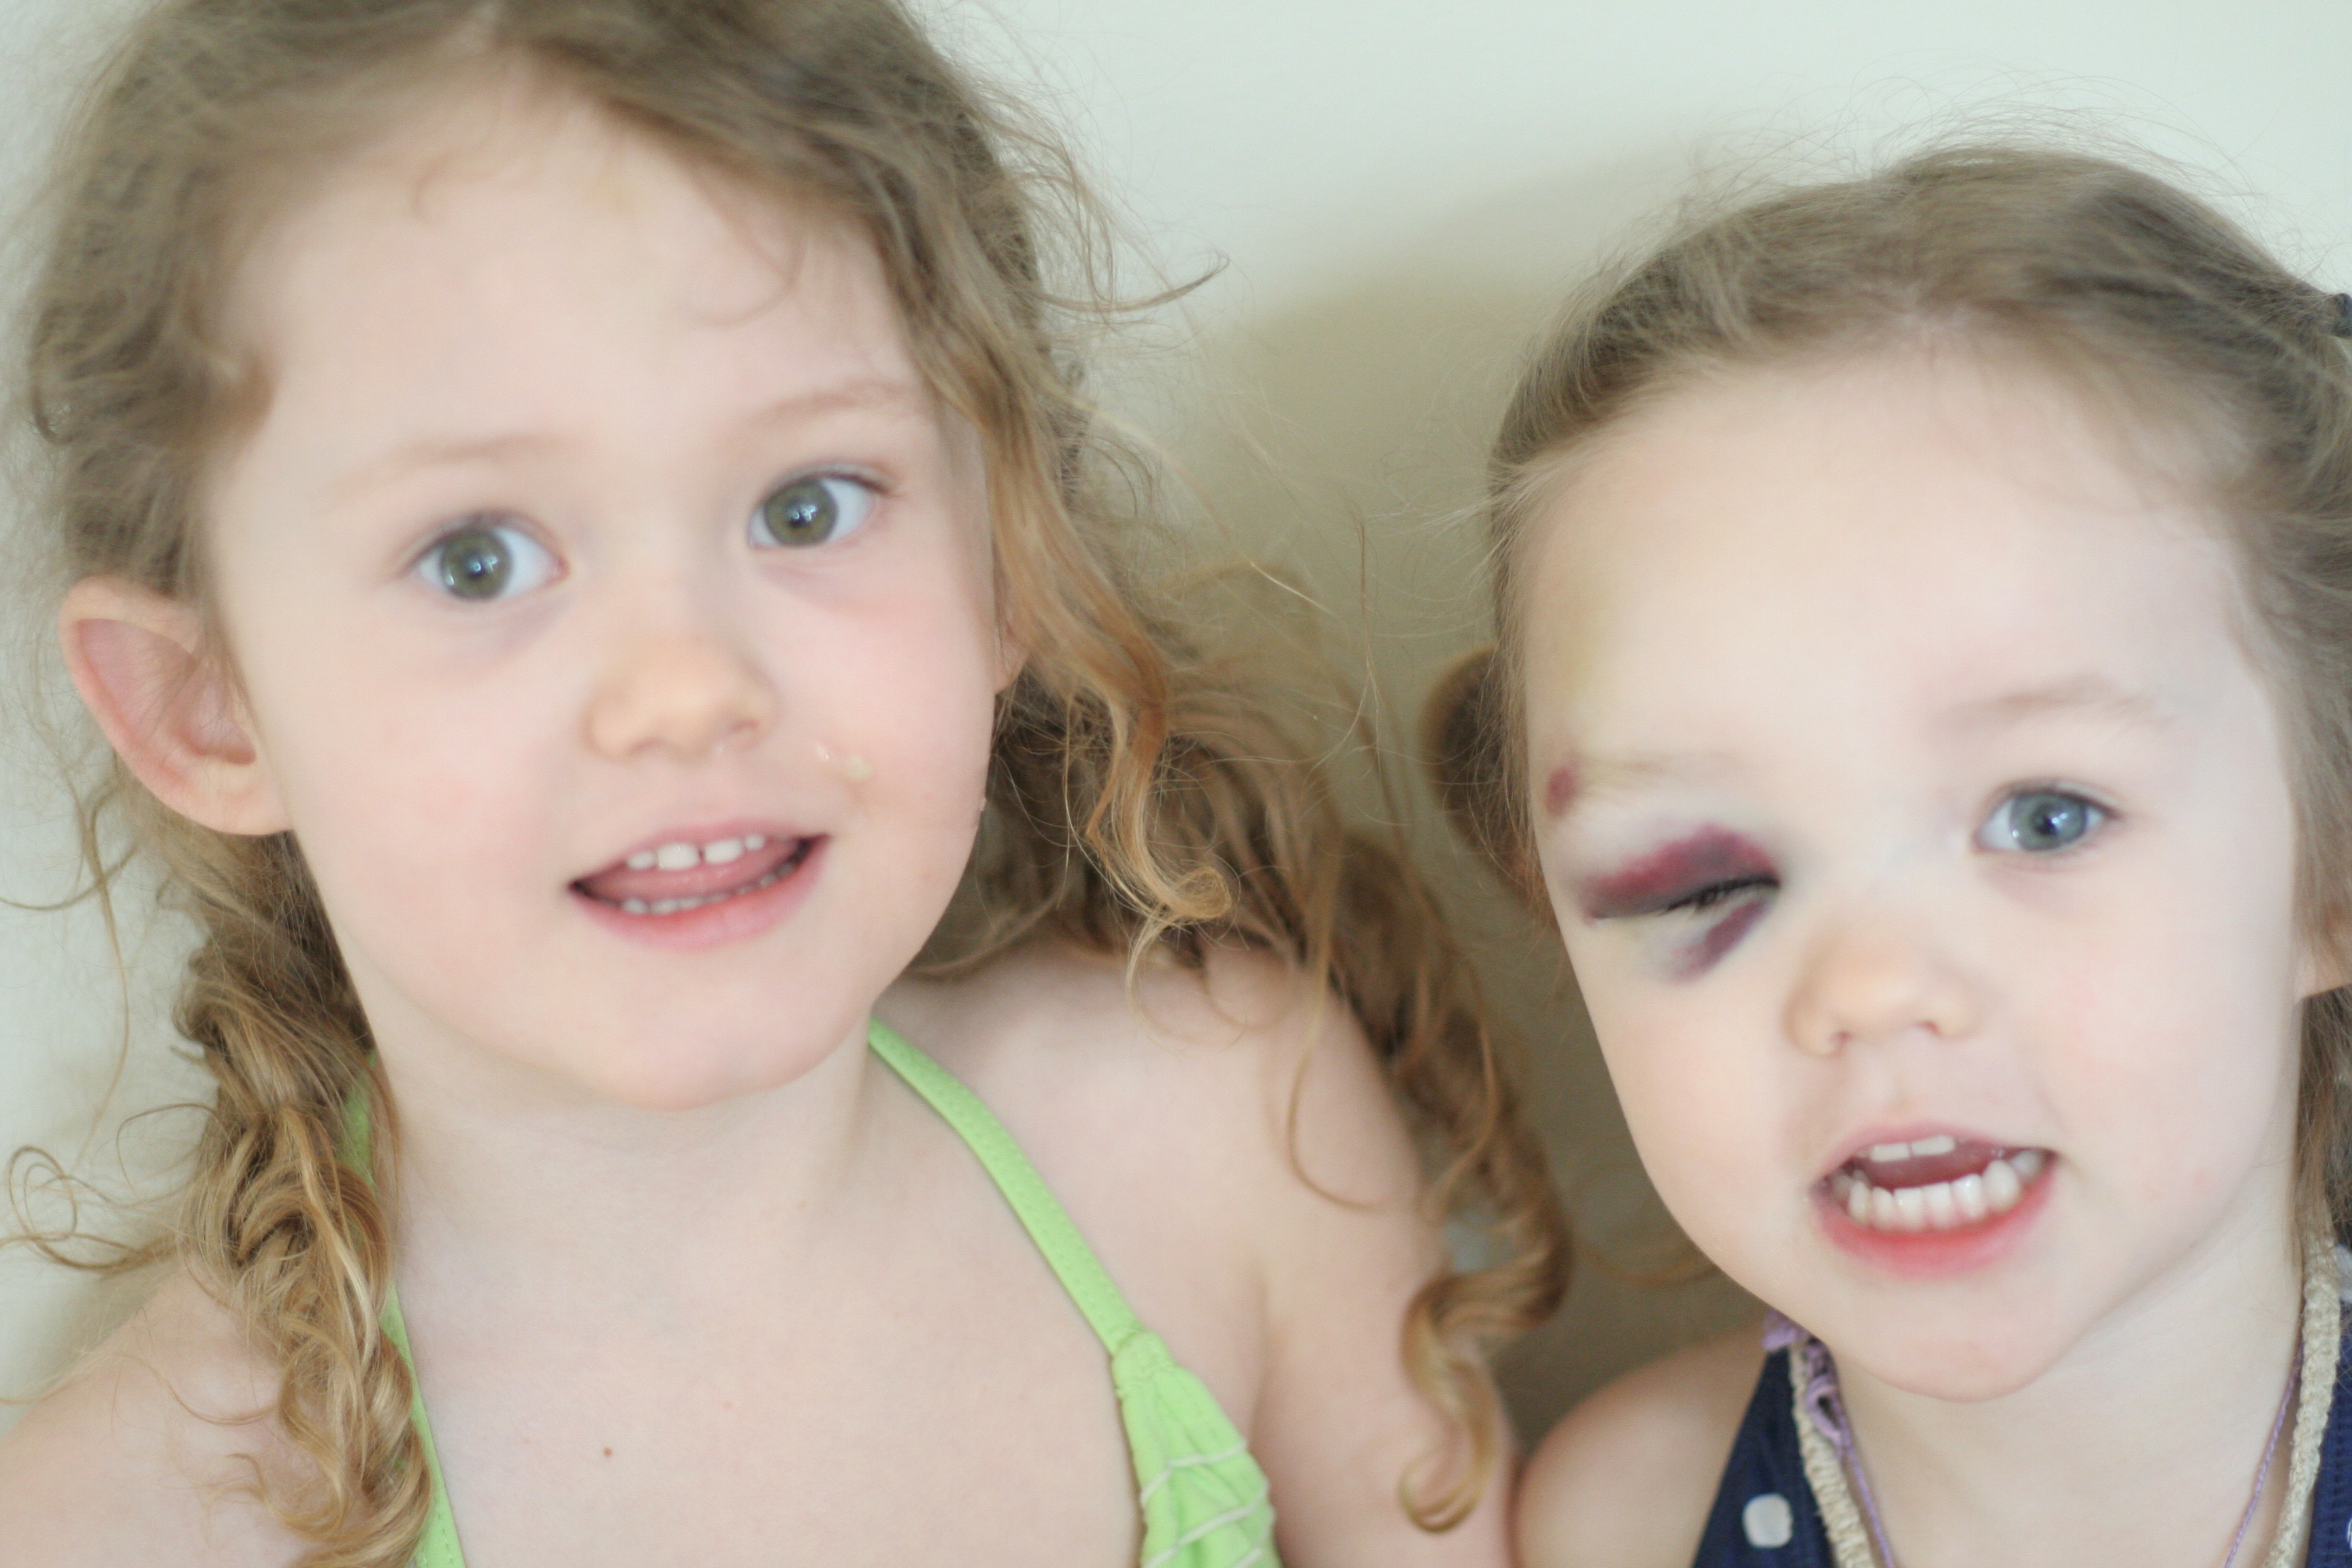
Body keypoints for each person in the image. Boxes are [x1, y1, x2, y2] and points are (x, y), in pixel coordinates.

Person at [0, 3, 1567, 1563]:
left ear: (1009, 560)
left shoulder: (1223, 1144)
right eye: (476, 558)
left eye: (806, 506)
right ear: (206, 709)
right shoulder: (130, 1526)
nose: (689, 688)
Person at [1424, 143, 2352, 1567]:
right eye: (1705, 881)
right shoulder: (1630, 1524)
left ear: (2329, 863)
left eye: (2046, 816)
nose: (1868, 986)